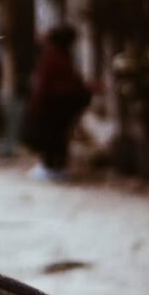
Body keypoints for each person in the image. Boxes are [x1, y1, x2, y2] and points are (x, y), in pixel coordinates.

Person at [24, 25, 90, 180]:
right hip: (64, 103)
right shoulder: (65, 56)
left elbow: (43, 83)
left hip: (51, 103)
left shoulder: (51, 56)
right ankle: (58, 166)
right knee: (59, 136)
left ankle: (50, 166)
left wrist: (35, 104)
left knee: (50, 136)